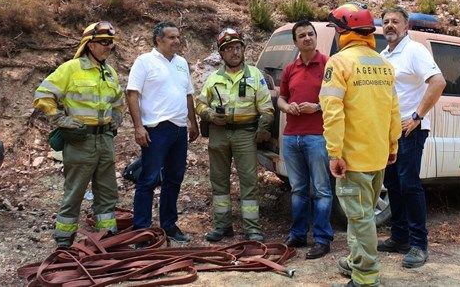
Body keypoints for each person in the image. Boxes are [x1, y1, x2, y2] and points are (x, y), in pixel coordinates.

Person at [320, 3, 401, 287]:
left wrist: (333, 153)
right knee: (360, 216)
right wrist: (393, 146)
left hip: (352, 158)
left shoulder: (339, 63)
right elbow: (393, 110)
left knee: (361, 217)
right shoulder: (383, 64)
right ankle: (357, 260)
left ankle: (366, 276)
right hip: (378, 155)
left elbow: (332, 112)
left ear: (344, 31)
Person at [33, 21, 125, 248]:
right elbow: (42, 95)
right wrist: (61, 120)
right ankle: (64, 241)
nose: (108, 47)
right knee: (75, 192)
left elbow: (118, 103)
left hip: (104, 140)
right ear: (89, 44)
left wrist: (114, 122)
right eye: (104, 42)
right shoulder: (71, 69)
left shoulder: (109, 72)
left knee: (107, 192)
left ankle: (106, 236)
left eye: (110, 43)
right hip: (80, 141)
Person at [377, 6, 446, 268]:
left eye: (396, 21)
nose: (390, 26)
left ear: (407, 27)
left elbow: (438, 82)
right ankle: (399, 237)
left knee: (409, 184)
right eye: (386, 22)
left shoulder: (414, 50)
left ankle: (419, 244)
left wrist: (417, 116)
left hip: (411, 129)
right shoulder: (384, 55)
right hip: (389, 131)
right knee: (393, 184)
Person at [196, 28, 274, 242]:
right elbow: (200, 103)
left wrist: (264, 127)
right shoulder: (213, 78)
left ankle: (252, 228)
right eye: (229, 49)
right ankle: (222, 226)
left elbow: (267, 107)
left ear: (243, 50)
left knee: (249, 181)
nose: (234, 52)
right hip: (219, 134)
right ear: (221, 54)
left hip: (245, 135)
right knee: (219, 182)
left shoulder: (255, 76)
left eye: (237, 47)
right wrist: (210, 114)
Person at [126, 21, 199, 243]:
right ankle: (142, 230)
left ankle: (169, 224)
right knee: (148, 179)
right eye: (171, 37)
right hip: (156, 130)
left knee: (174, 179)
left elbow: (188, 95)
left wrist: (192, 123)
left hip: (178, 130)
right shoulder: (145, 62)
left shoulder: (181, 63)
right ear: (158, 40)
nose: (177, 41)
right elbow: (132, 94)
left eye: (178, 37)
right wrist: (138, 127)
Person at [277, 19, 333, 259]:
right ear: (296, 41)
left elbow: (339, 99)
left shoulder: (328, 65)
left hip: (317, 136)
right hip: (291, 137)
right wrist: (287, 107)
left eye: (311, 34)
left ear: (315, 38)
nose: (308, 38)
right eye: (302, 36)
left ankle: (322, 239)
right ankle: (298, 235)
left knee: (321, 190)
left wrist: (317, 106)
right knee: (298, 189)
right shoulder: (291, 69)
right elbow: (280, 98)